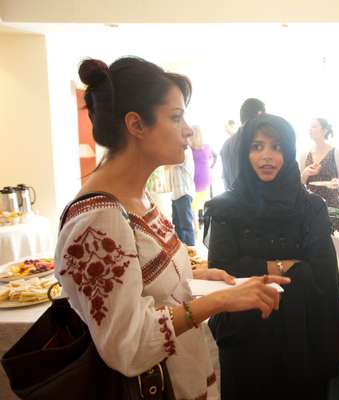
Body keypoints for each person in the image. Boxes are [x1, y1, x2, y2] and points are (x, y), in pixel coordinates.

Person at [55, 57, 289, 400]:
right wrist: (220, 302)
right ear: (136, 124)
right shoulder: (98, 220)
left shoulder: (139, 197)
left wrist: (192, 279)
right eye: (176, 117)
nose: (188, 130)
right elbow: (129, 346)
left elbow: (144, 287)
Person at [204, 114, 339, 400]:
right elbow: (222, 274)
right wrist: (288, 266)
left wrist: (251, 268)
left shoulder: (311, 207)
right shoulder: (225, 208)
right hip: (245, 342)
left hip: (303, 341)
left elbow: (322, 273)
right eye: (257, 147)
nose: (267, 156)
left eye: (277, 147)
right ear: (244, 152)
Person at [299, 118, 339, 234]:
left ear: (324, 130)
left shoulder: (336, 153)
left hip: (332, 204)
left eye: (313, 126)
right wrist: (305, 173)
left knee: (334, 240)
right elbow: (298, 183)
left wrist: (337, 182)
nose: (310, 129)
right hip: (310, 205)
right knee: (311, 239)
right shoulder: (305, 154)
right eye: (309, 127)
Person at [220, 98, 265, 190]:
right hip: (253, 200)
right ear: (259, 114)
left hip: (231, 198)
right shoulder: (256, 143)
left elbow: (225, 177)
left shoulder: (226, 144)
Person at [169, 141, 196, 245]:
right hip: (176, 194)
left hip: (184, 193)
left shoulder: (185, 150)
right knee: (177, 225)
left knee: (186, 226)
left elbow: (170, 163)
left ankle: (191, 253)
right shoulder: (177, 148)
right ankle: (182, 251)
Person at [190, 125, 217, 226]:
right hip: (206, 181)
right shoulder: (207, 147)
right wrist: (211, 167)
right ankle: (203, 220)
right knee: (204, 201)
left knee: (194, 206)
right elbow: (215, 156)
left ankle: (197, 226)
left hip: (194, 183)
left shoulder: (189, 150)